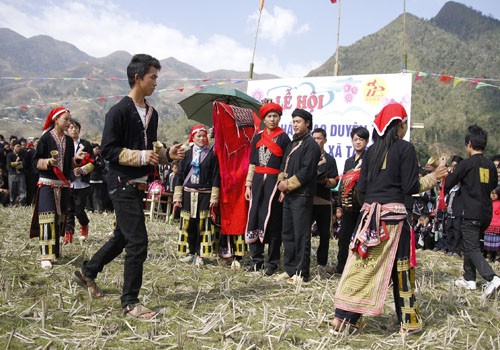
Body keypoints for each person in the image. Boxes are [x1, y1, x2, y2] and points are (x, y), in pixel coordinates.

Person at [72, 54, 184, 319]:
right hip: (121, 182)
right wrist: (143, 156)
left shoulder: (152, 113)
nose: (156, 82)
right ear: (138, 78)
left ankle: (87, 272)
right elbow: (108, 151)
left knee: (122, 236)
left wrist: (169, 154)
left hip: (140, 184)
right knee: (138, 241)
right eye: (153, 77)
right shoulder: (118, 112)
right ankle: (130, 302)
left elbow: (153, 148)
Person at [332, 103, 448, 334]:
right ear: (399, 125)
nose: (405, 127)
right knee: (402, 268)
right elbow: (410, 186)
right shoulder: (405, 149)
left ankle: (343, 318)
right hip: (393, 220)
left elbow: (362, 188)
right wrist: (434, 177)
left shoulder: (371, 152)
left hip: (368, 218)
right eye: (404, 123)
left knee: (363, 266)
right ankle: (408, 321)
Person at [446, 125, 500, 300]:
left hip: (471, 211)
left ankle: (492, 278)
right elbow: (492, 186)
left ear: (469, 144)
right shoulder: (491, 165)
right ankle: (469, 279)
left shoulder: (466, 164)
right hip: (486, 212)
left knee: (472, 247)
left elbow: (449, 182)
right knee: (471, 243)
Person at [29, 107, 81, 270]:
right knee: (47, 217)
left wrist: (76, 162)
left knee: (59, 219)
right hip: (47, 183)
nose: (68, 123)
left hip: (63, 185)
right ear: (56, 119)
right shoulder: (45, 138)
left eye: (69, 119)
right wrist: (47, 163)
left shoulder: (68, 141)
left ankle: (54, 252)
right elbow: (35, 161)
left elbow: (68, 164)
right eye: (66, 119)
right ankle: (45, 255)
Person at [244, 102, 291, 275]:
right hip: (257, 182)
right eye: (269, 116)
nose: (272, 119)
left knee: (272, 221)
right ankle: (256, 260)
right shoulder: (257, 137)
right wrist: (248, 185)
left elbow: (286, 164)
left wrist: (283, 188)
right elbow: (252, 163)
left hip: (274, 183)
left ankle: (272, 262)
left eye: (275, 116)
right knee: (254, 217)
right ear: (263, 119)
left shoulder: (284, 138)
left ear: (279, 118)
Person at [275, 108, 321, 285]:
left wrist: (288, 184)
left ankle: (301, 273)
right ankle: (290, 269)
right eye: (293, 121)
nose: (295, 124)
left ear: (307, 123)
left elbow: (307, 171)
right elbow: (283, 164)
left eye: (298, 121)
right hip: (288, 195)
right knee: (288, 233)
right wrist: (281, 181)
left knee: (301, 234)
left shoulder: (311, 145)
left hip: (302, 195)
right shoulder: (293, 143)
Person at [173, 125, 219, 267]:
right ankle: (191, 252)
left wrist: (214, 197)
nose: (201, 138)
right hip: (188, 194)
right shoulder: (187, 154)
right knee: (190, 224)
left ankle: (201, 254)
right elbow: (180, 175)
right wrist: (178, 196)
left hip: (204, 194)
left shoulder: (212, 154)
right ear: (193, 137)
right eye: (198, 136)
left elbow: (216, 175)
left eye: (203, 136)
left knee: (203, 224)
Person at [335, 126, 369, 274]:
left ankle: (357, 270)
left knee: (360, 239)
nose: (358, 142)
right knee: (343, 238)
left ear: (366, 141)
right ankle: (341, 268)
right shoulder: (349, 161)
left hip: (362, 206)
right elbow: (343, 183)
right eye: (355, 139)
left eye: (361, 139)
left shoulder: (368, 159)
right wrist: (340, 204)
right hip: (348, 206)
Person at [311, 128, 338, 275]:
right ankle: (304, 260)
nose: (316, 141)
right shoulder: (306, 157)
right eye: (314, 138)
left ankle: (321, 263)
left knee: (324, 235)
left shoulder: (330, 160)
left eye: (319, 138)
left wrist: (328, 181)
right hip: (308, 202)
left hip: (324, 201)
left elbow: (335, 181)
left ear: (325, 140)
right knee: (303, 233)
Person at [64, 119, 94, 244]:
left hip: (82, 183)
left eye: (76, 127)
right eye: (71, 127)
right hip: (67, 181)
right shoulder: (64, 143)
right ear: (67, 129)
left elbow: (92, 163)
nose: (73, 130)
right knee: (68, 210)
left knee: (79, 210)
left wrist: (82, 170)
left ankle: (84, 225)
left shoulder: (86, 144)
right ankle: (68, 234)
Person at [445, 155, 463, 257]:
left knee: (457, 230)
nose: (453, 168)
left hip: (459, 208)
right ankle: (450, 249)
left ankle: (457, 250)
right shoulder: (450, 177)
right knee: (449, 229)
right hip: (450, 207)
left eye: (455, 166)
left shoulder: (463, 178)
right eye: (452, 166)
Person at [6, 140, 27, 205]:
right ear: (13, 147)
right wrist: (18, 163)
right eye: (17, 146)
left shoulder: (22, 154)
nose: (19, 148)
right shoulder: (10, 154)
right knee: (12, 189)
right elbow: (9, 164)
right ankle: (12, 203)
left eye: (20, 146)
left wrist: (15, 164)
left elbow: (24, 164)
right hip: (12, 174)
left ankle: (22, 203)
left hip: (21, 174)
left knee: (22, 189)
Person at [483, 186, 500, 263]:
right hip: (488, 224)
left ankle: (493, 256)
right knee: (487, 240)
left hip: (497, 225)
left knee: (495, 242)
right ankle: (486, 254)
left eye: (494, 194)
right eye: (491, 194)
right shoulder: (488, 202)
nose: (492, 196)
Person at [89, 143, 106, 213]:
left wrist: (96, 163)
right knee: (89, 195)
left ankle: (101, 209)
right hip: (90, 179)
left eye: (99, 149)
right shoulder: (90, 157)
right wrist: (96, 163)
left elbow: (102, 165)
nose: (98, 150)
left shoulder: (100, 157)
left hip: (99, 179)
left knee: (99, 195)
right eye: (96, 149)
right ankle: (90, 209)